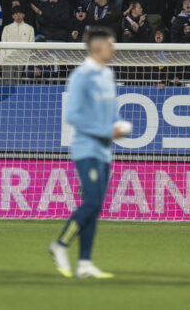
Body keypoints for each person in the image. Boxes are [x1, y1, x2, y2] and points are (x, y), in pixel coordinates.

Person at [49, 27, 126, 279]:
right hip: (86, 149)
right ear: (98, 46)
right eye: (111, 44)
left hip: (104, 151)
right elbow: (72, 115)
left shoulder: (108, 74)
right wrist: (106, 130)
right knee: (92, 201)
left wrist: (117, 125)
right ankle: (60, 244)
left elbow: (111, 111)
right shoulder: (81, 75)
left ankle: (84, 263)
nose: (114, 49)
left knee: (94, 207)